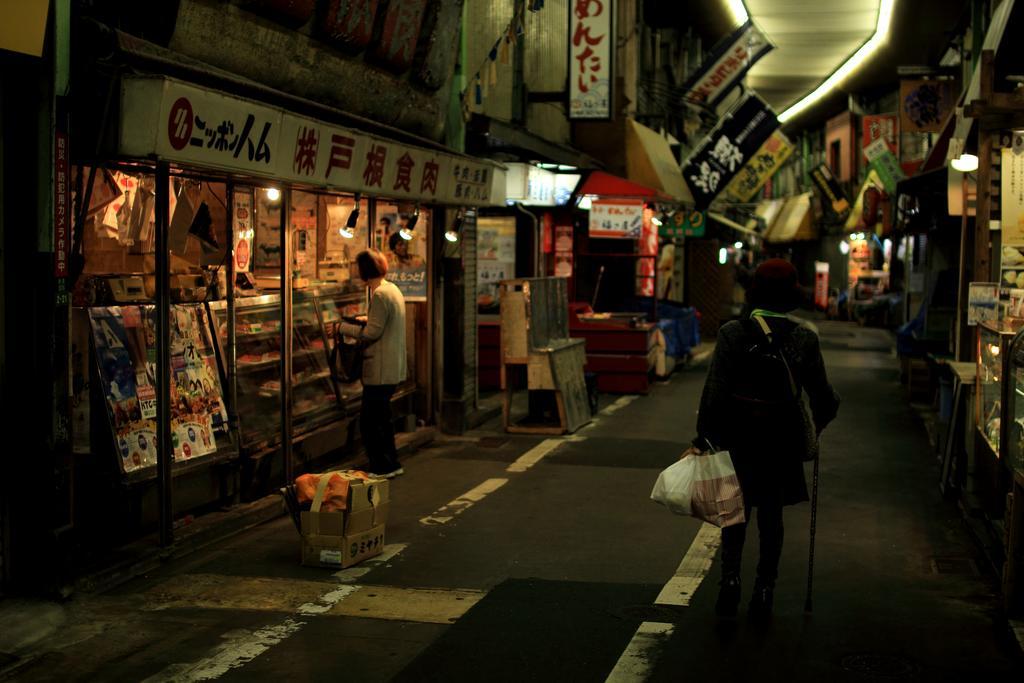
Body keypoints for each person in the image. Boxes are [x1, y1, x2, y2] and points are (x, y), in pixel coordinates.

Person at [688, 258, 840, 618]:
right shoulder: (803, 338)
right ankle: (765, 588)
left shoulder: (732, 334)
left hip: (739, 436)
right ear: (792, 295)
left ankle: (729, 582)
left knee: (734, 513)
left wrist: (704, 437)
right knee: (771, 516)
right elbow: (823, 397)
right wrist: (817, 422)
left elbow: (714, 393)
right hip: (780, 437)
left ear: (754, 291)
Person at [338, 249, 407, 479]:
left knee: (370, 423)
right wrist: (367, 319)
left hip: (379, 369)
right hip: (392, 367)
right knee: (383, 420)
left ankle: (381, 467)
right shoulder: (392, 289)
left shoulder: (378, 295)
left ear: (363, 271)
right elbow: (384, 322)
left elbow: (372, 333)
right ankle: (392, 463)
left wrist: (341, 328)